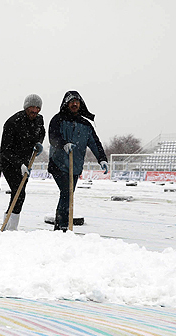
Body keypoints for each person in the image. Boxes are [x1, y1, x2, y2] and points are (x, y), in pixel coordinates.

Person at [48, 90, 108, 231]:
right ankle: (62, 225)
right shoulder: (58, 119)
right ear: (66, 104)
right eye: (71, 102)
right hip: (58, 164)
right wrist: (64, 144)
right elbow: (53, 137)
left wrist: (102, 159)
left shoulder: (85, 125)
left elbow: (95, 143)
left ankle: (63, 225)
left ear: (80, 104)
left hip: (74, 167)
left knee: (68, 195)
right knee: (67, 193)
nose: (74, 104)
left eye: (77, 102)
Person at [0, 94, 45, 230]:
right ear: (26, 107)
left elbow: (41, 133)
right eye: (32, 107)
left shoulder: (39, 120)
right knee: (18, 192)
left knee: (19, 193)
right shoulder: (13, 122)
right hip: (9, 162)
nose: (35, 111)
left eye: (38, 108)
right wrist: (19, 164)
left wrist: (39, 143)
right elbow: (5, 150)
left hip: (26, 162)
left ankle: (9, 225)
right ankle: (10, 227)